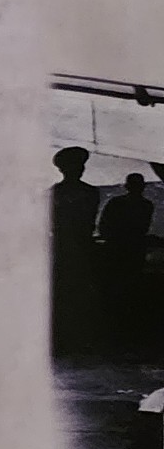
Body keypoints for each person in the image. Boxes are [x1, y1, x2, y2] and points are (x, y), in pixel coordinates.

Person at [96, 171, 156, 352]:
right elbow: (142, 229)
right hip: (133, 251)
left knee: (116, 289)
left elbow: (104, 226)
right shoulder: (146, 205)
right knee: (131, 288)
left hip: (117, 250)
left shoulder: (116, 203)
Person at [52, 147, 102, 357]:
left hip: (68, 248)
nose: (80, 170)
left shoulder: (54, 193)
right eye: (76, 166)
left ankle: (71, 340)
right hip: (75, 248)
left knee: (71, 295)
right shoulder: (90, 192)